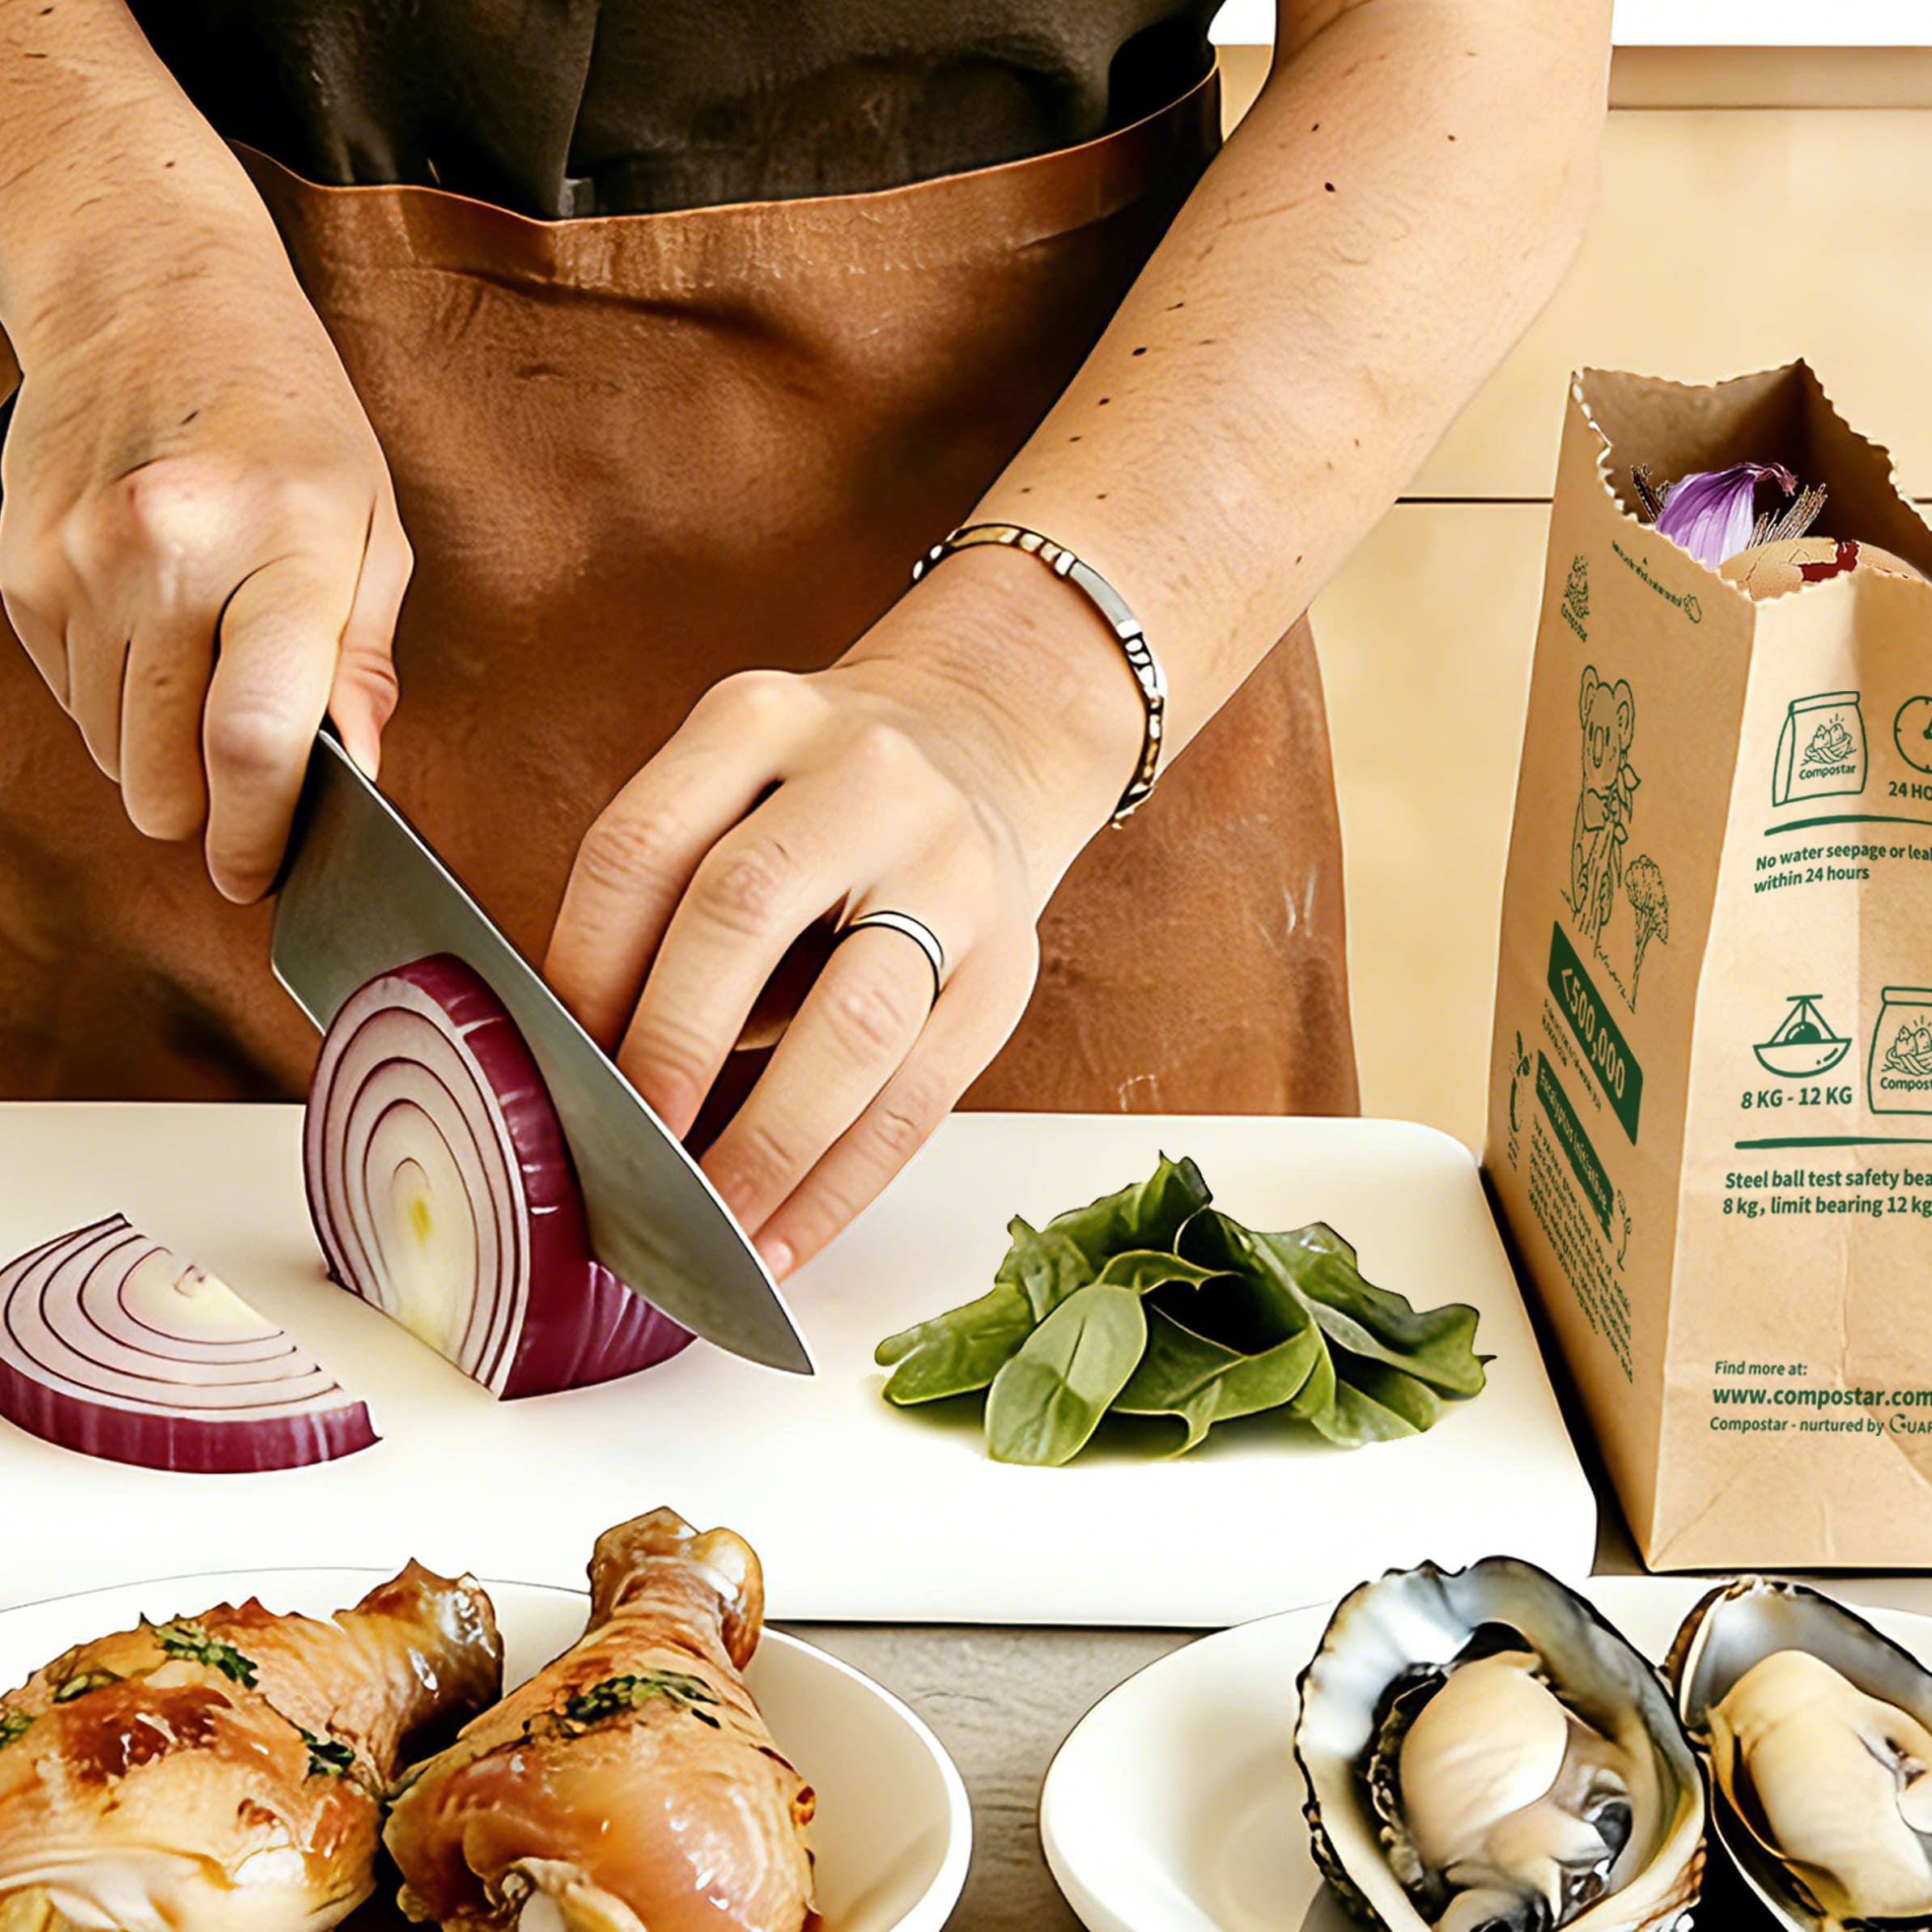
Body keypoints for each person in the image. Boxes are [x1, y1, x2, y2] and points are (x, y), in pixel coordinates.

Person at [0, 0, 1608, 1277]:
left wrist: (1017, 690)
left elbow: (1479, 45)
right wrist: (109, 249)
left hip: (1088, 591)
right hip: (169, 607)